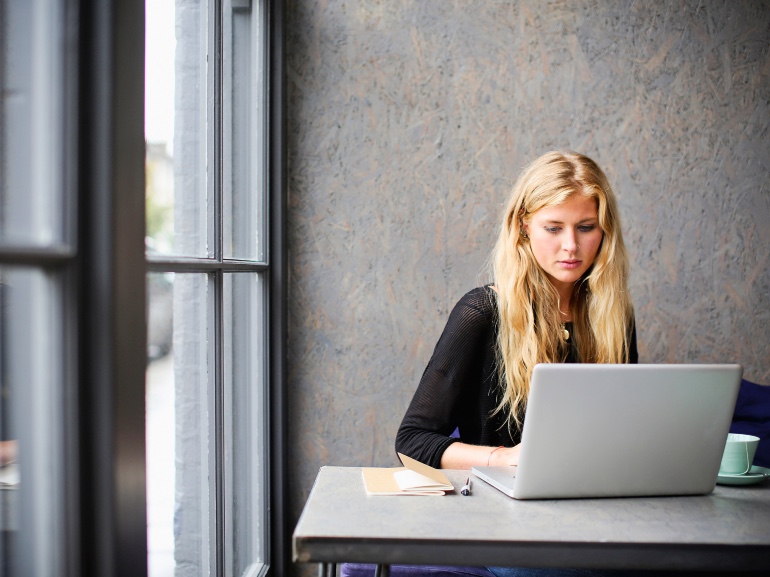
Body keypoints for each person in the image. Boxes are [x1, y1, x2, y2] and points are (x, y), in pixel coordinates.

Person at [395, 151, 640, 577]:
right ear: (523, 226)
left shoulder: (614, 316)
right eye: (553, 228)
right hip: (508, 521)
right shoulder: (481, 311)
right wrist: (502, 457)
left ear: (604, 230)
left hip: (595, 511)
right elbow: (411, 442)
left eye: (586, 228)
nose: (571, 245)